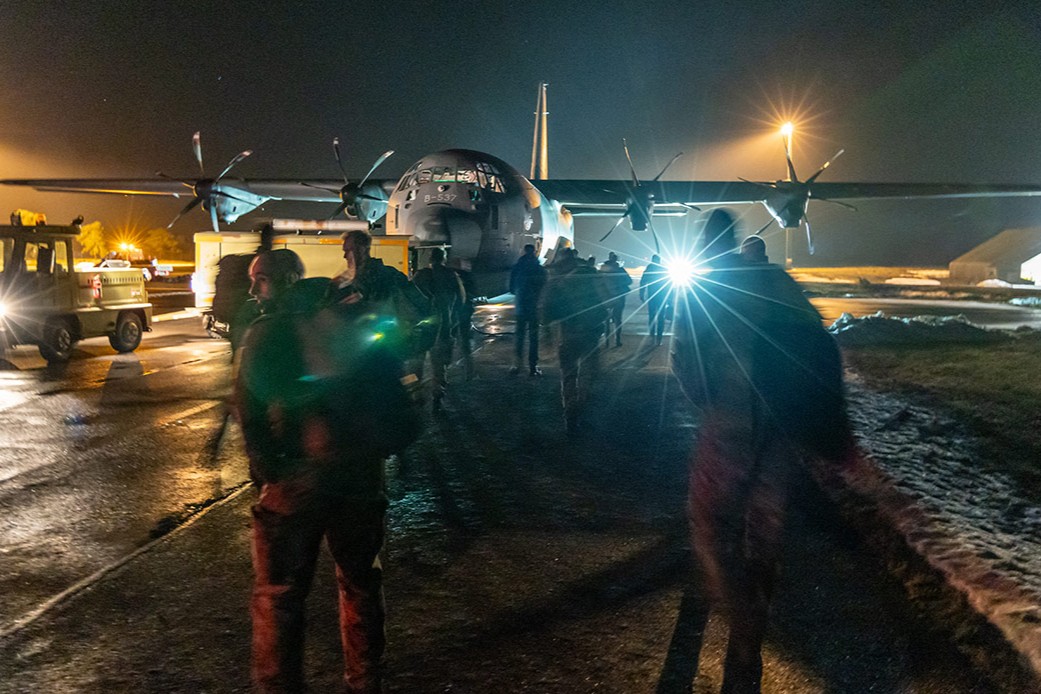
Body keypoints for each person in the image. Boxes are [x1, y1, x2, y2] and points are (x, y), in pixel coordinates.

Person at [671, 209, 855, 693]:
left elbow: (685, 363)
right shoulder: (775, 278)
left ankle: (740, 617)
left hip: (727, 429)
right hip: (778, 429)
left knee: (708, 524)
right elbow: (819, 337)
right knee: (766, 527)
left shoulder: (701, 288)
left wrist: (710, 405)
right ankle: (758, 610)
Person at [236, 242, 420, 693]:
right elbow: (398, 397)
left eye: (259, 280)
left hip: (296, 481)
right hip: (359, 478)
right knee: (359, 583)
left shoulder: (266, 334)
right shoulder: (357, 324)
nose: (254, 289)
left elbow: (250, 412)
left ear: (285, 282)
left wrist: (269, 471)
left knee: (279, 596)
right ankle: (364, 681)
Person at [544, 248, 609, 435]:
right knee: (589, 374)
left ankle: (570, 413)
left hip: (567, 334)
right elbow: (607, 299)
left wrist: (547, 333)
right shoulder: (589, 276)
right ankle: (582, 407)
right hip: (590, 334)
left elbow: (546, 310)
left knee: (568, 376)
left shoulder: (556, 283)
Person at [412, 247, 465, 411]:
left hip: (421, 328)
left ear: (430, 259)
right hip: (443, 326)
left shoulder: (420, 275)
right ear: (443, 258)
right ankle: (437, 393)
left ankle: (416, 394)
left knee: (416, 363)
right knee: (438, 364)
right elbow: (460, 300)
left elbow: (409, 298)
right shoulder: (451, 276)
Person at [508, 243, 548, 376]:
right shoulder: (540, 269)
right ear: (534, 252)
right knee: (533, 337)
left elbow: (512, 288)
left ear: (524, 251)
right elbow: (544, 289)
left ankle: (516, 365)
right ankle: (533, 366)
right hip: (534, 307)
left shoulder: (517, 268)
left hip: (520, 307)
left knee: (519, 337)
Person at [450, 258, 479, 380]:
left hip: (452, 314)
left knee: (450, 341)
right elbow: (474, 293)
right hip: (464, 314)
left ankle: (446, 372)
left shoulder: (450, 277)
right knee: (465, 344)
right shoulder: (467, 277)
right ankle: (469, 373)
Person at [598, 251, 632, 348]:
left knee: (606, 320)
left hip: (605, 297)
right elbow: (629, 281)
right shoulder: (620, 270)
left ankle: (607, 341)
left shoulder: (602, 269)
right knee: (618, 319)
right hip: (619, 297)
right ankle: (617, 340)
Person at [639, 254, 668, 346]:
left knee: (652, 316)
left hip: (652, 295)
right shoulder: (663, 269)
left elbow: (643, 281)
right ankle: (659, 338)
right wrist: (670, 296)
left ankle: (652, 335)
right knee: (661, 317)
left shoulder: (649, 269)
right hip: (662, 296)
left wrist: (641, 293)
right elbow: (668, 283)